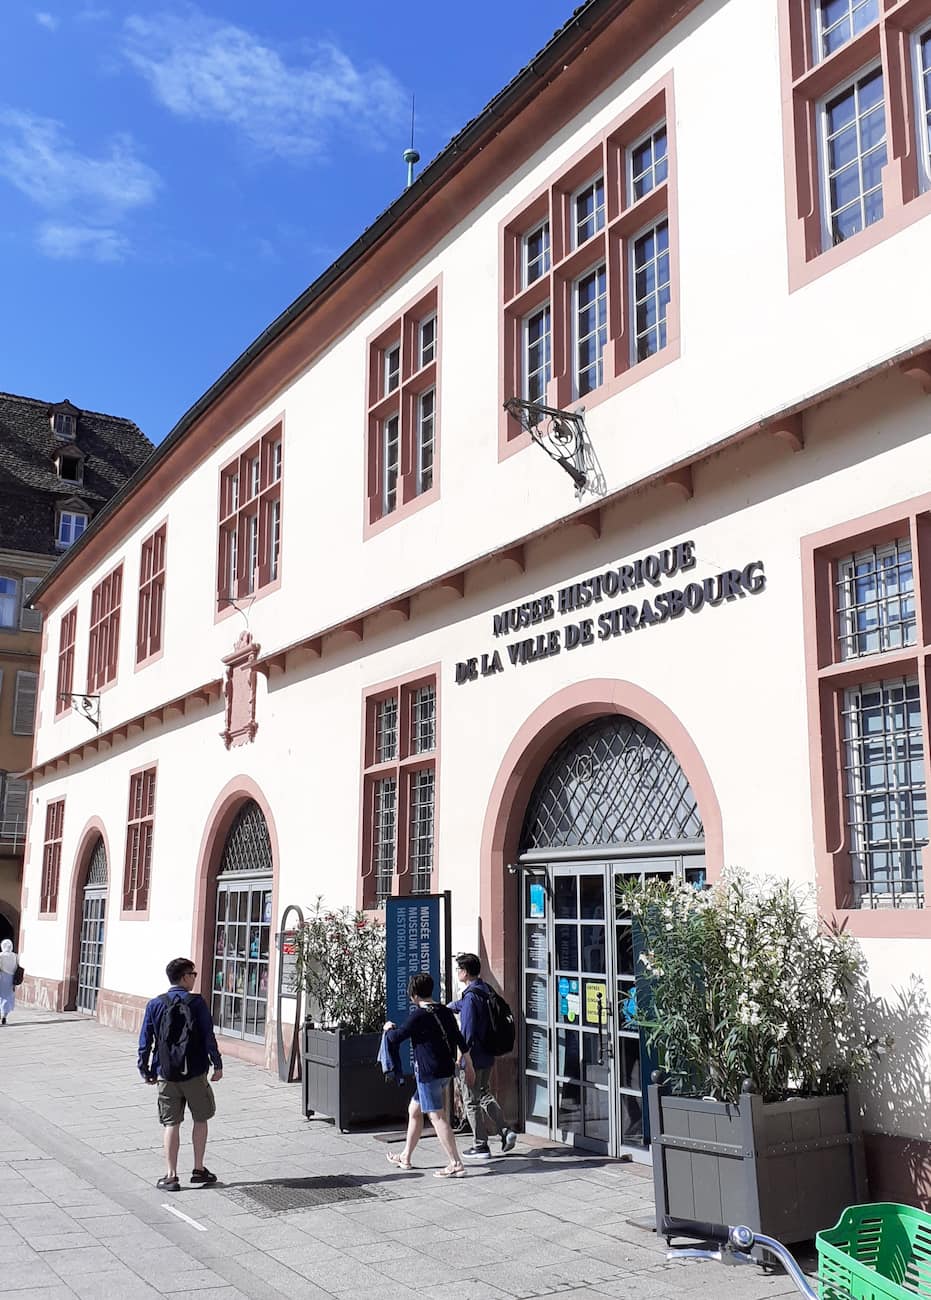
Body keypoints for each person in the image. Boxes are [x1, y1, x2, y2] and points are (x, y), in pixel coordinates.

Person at [137, 957, 223, 1192]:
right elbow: (208, 1036)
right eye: (193, 974)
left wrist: (145, 1069)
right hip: (194, 1072)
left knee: (171, 1123)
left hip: (166, 1073)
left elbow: (145, 1040)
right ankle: (198, 1168)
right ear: (184, 977)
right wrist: (217, 1064)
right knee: (201, 1119)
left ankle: (171, 1175)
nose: (195, 978)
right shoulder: (197, 1004)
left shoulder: (155, 1004)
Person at [384, 972, 471, 1177]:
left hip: (428, 1073)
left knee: (436, 1117)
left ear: (414, 995)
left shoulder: (418, 1016)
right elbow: (459, 1038)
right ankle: (405, 1157)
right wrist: (470, 1065)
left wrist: (388, 1029)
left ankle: (455, 1162)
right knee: (414, 1110)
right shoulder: (444, 1011)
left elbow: (397, 1037)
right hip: (445, 1070)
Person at [448, 952, 517, 1160]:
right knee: (484, 1093)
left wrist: (462, 1059)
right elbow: (466, 1007)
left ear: (465, 972)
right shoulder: (485, 990)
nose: (457, 972)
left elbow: (466, 1033)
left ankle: (480, 1145)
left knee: (471, 1101)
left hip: (473, 1057)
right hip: (487, 1054)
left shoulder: (470, 998)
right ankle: (506, 1130)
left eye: (459, 969)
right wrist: (450, 1007)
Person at [0, 938, 19, 1025]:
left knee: (1, 996)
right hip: (11, 978)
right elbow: (17, 967)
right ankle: (4, 1016)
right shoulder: (15, 956)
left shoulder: (1, 955)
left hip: (2, 977)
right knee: (8, 997)